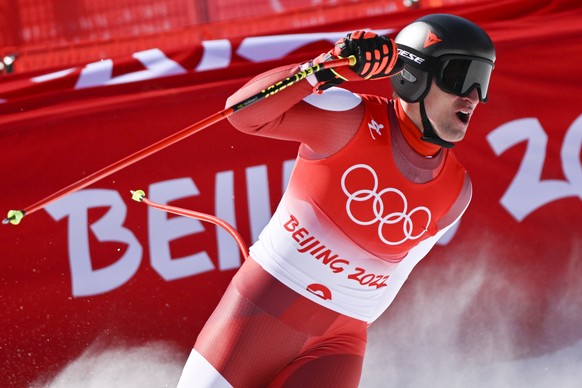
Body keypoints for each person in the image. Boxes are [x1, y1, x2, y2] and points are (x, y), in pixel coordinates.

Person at [177, 13, 495, 387]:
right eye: (460, 77)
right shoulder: (349, 119)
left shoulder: (457, 192)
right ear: (415, 77)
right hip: (255, 317)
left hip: (338, 343)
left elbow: (387, 289)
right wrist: (324, 69)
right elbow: (242, 114)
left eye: (482, 81)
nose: (473, 97)